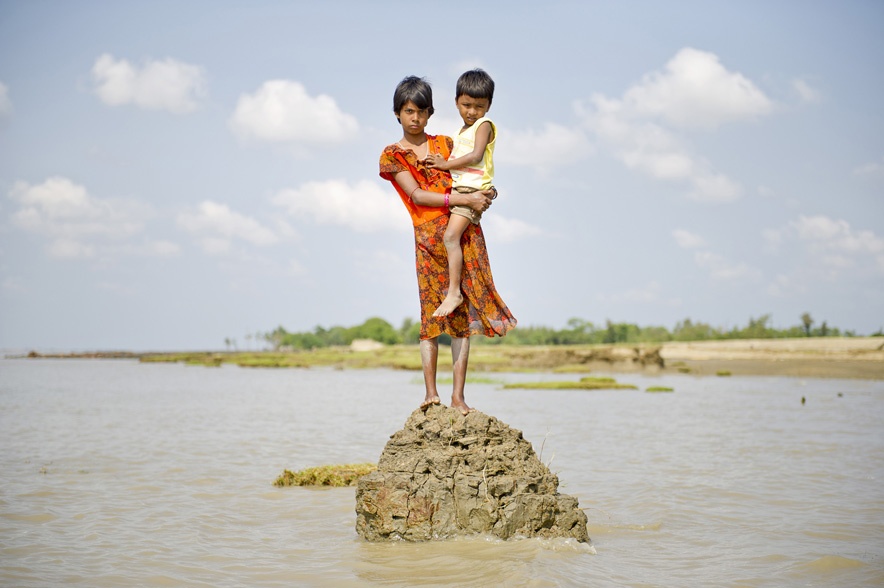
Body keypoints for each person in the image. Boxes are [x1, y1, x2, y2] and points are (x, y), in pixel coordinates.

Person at [379, 75, 516, 415]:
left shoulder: (445, 143)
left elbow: (475, 169)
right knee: (430, 316)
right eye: (409, 111)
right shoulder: (392, 155)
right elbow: (416, 194)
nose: (415, 118)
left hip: (463, 231)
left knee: (460, 318)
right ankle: (430, 394)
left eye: (422, 112)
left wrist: (487, 195)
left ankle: (458, 398)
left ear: (431, 113)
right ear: (398, 113)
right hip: (428, 238)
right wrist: (464, 200)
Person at [426, 69, 497, 317]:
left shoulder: (484, 125)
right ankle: (455, 290)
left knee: (450, 237)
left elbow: (476, 156)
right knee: (452, 239)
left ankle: (454, 292)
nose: (472, 111)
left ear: (488, 106)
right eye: (466, 105)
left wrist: (444, 165)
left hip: (471, 190)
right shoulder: (460, 132)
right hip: (461, 189)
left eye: (479, 106)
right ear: (456, 102)